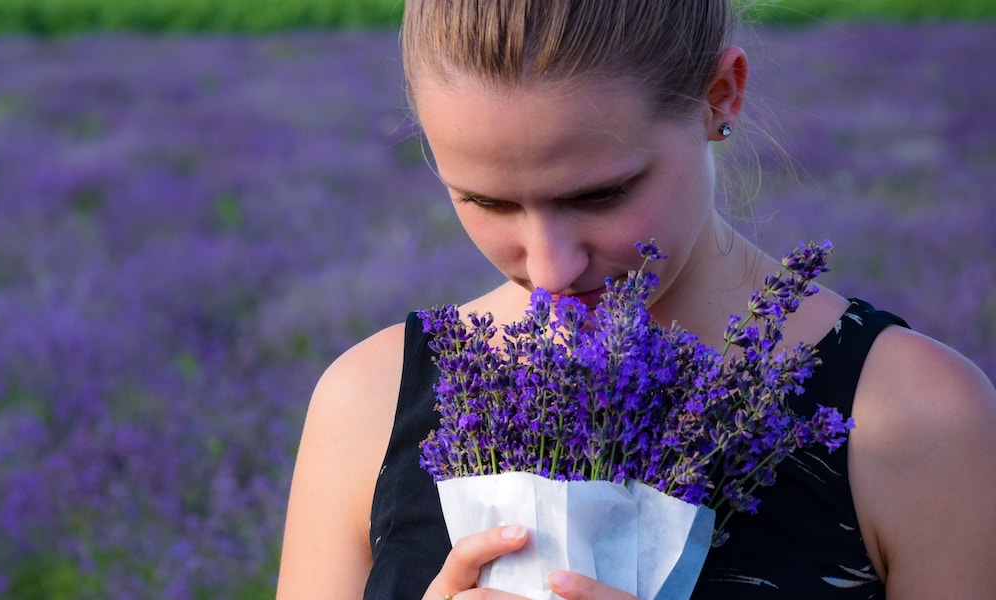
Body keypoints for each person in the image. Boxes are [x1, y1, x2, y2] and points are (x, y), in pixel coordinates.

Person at [276, 1, 996, 598]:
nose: (553, 270)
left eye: (600, 194)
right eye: (487, 201)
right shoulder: (367, 403)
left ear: (721, 97)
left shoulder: (918, 420)